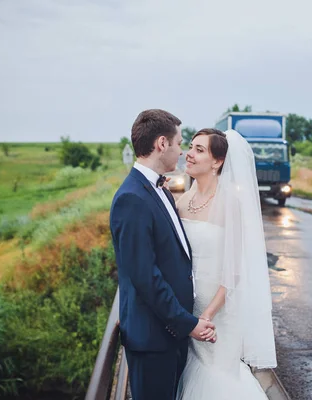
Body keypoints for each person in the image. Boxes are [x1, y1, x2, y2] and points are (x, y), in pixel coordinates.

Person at [109, 109, 216, 400]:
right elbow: (145, 276)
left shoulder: (162, 190)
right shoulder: (132, 198)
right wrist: (187, 323)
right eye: (180, 143)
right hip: (153, 339)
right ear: (161, 144)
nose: (182, 152)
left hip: (171, 334)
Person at [175, 128, 277, 399]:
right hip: (187, 309)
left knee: (217, 375)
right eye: (190, 147)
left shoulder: (230, 203)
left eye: (199, 150)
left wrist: (206, 317)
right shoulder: (181, 202)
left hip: (217, 312)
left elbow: (233, 273)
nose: (190, 153)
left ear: (217, 162)